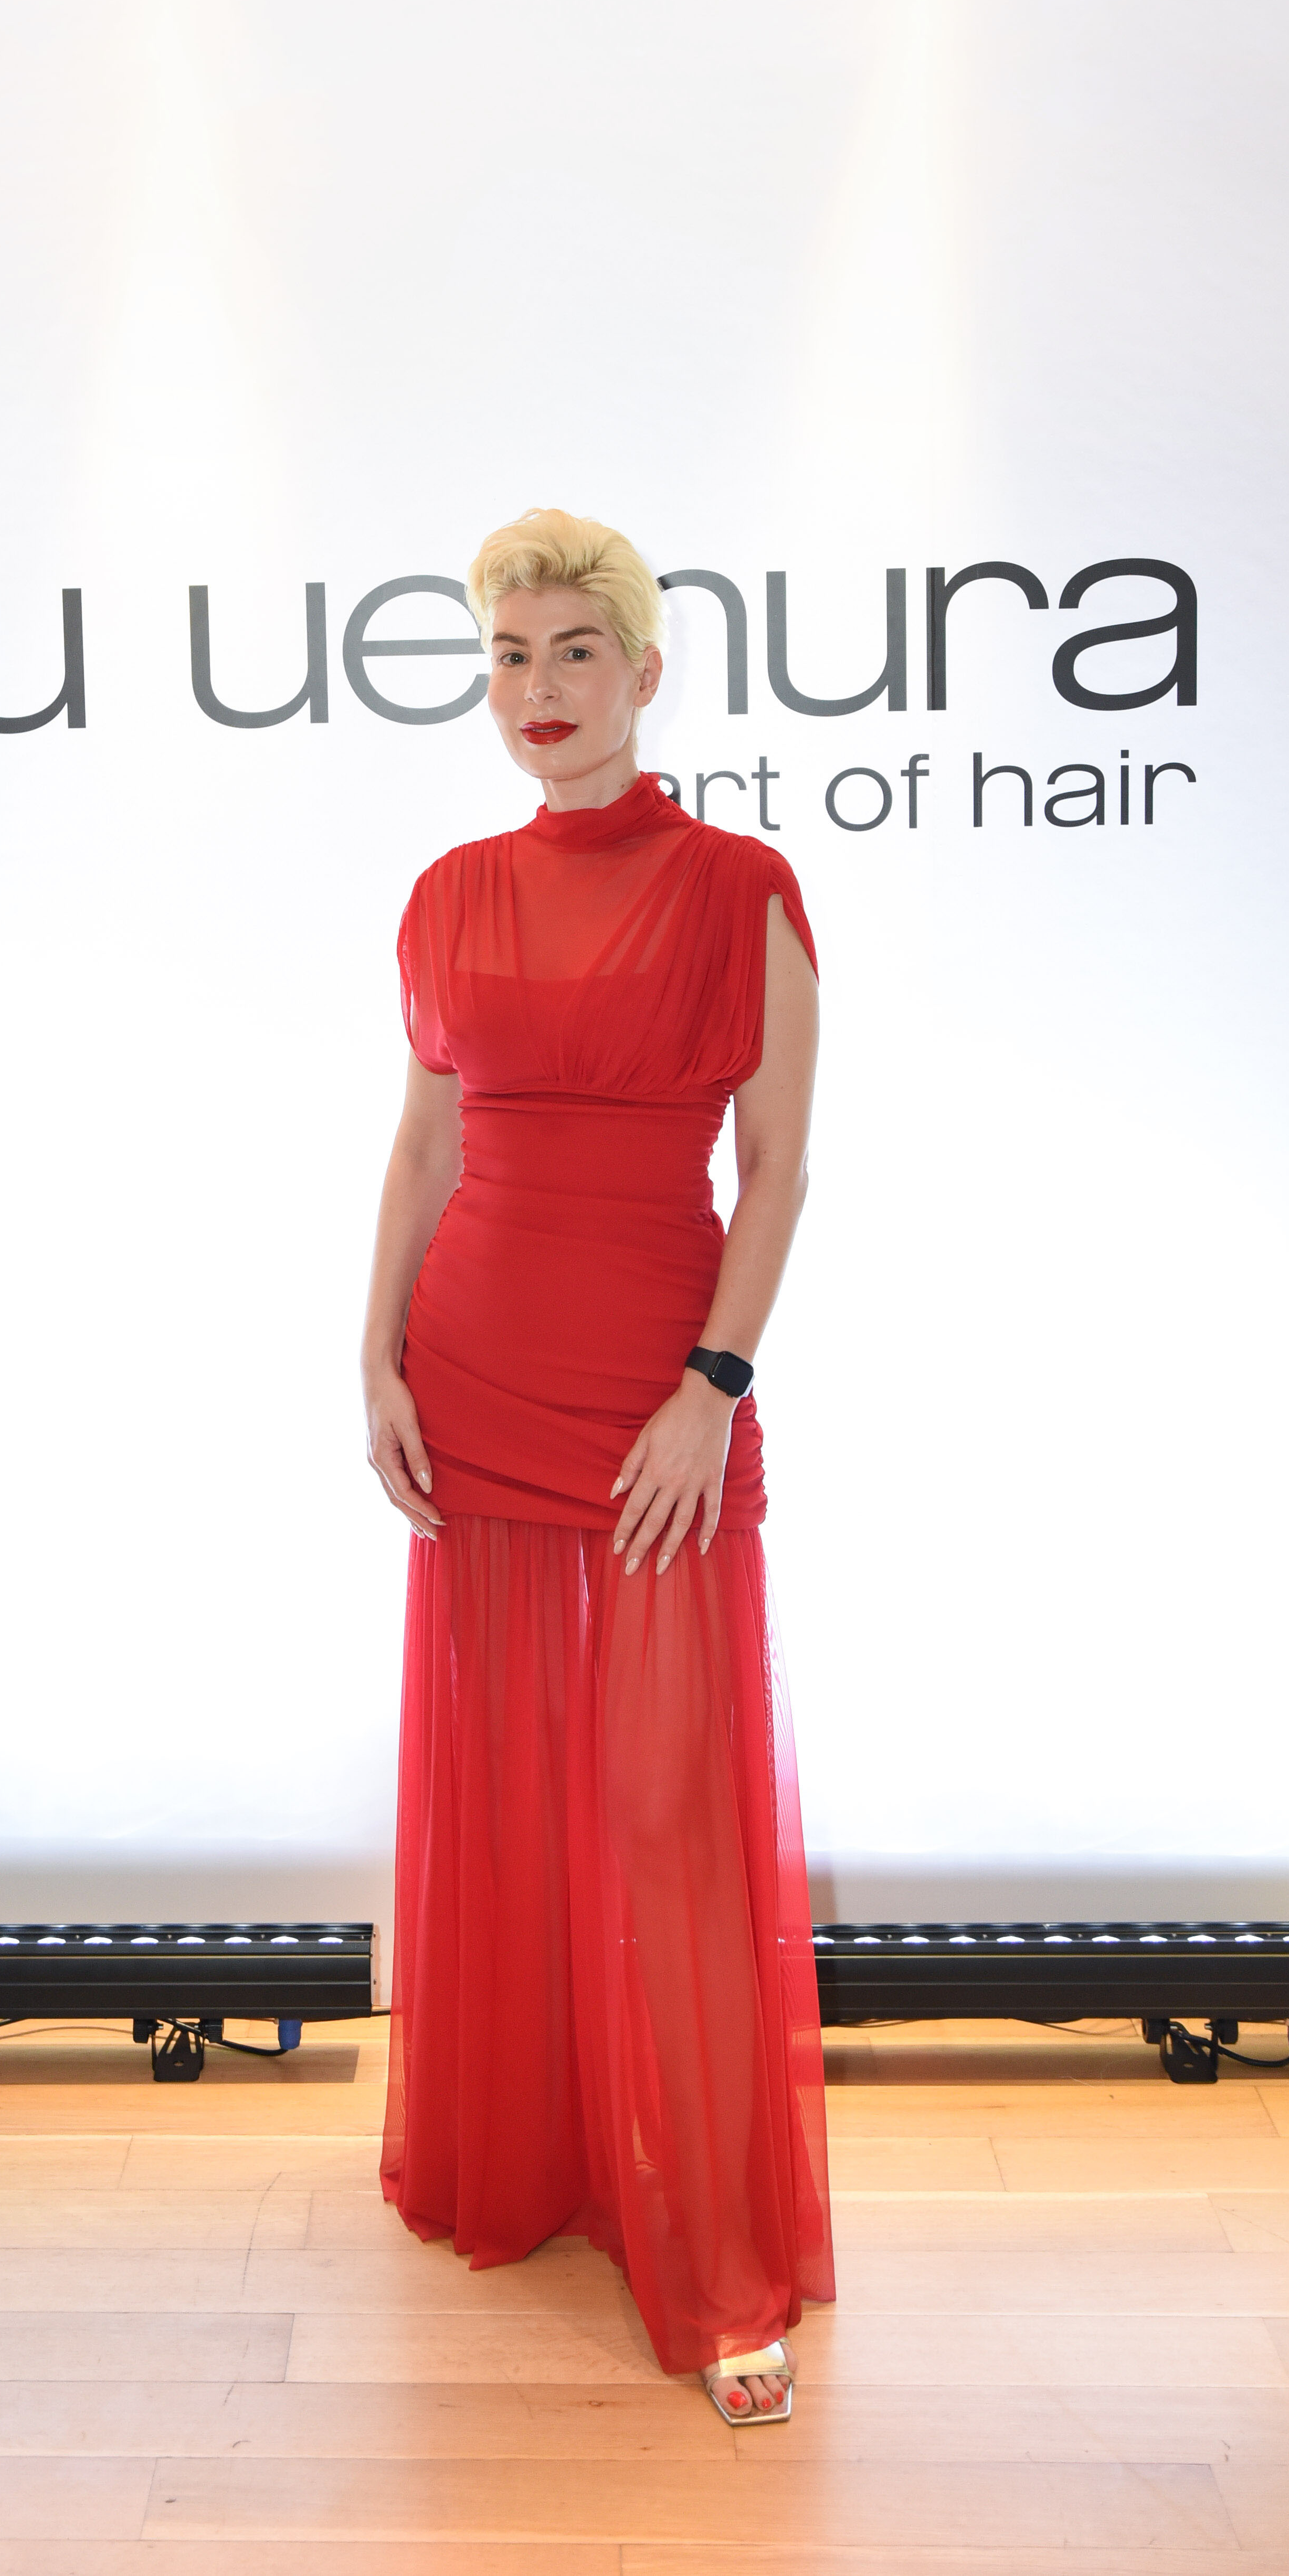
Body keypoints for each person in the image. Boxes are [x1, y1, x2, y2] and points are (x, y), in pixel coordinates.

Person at [362, 509, 834, 2423]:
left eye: (575, 653)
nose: (540, 690)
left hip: (655, 1387)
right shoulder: (446, 893)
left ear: (645, 673)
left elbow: (776, 1169)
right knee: (506, 1793)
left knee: (663, 1809)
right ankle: (537, 2164)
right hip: (473, 1374)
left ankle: (710, 2244)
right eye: (510, 656)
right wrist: (372, 1358)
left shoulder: (741, 887)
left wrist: (714, 1383)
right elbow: (424, 1150)